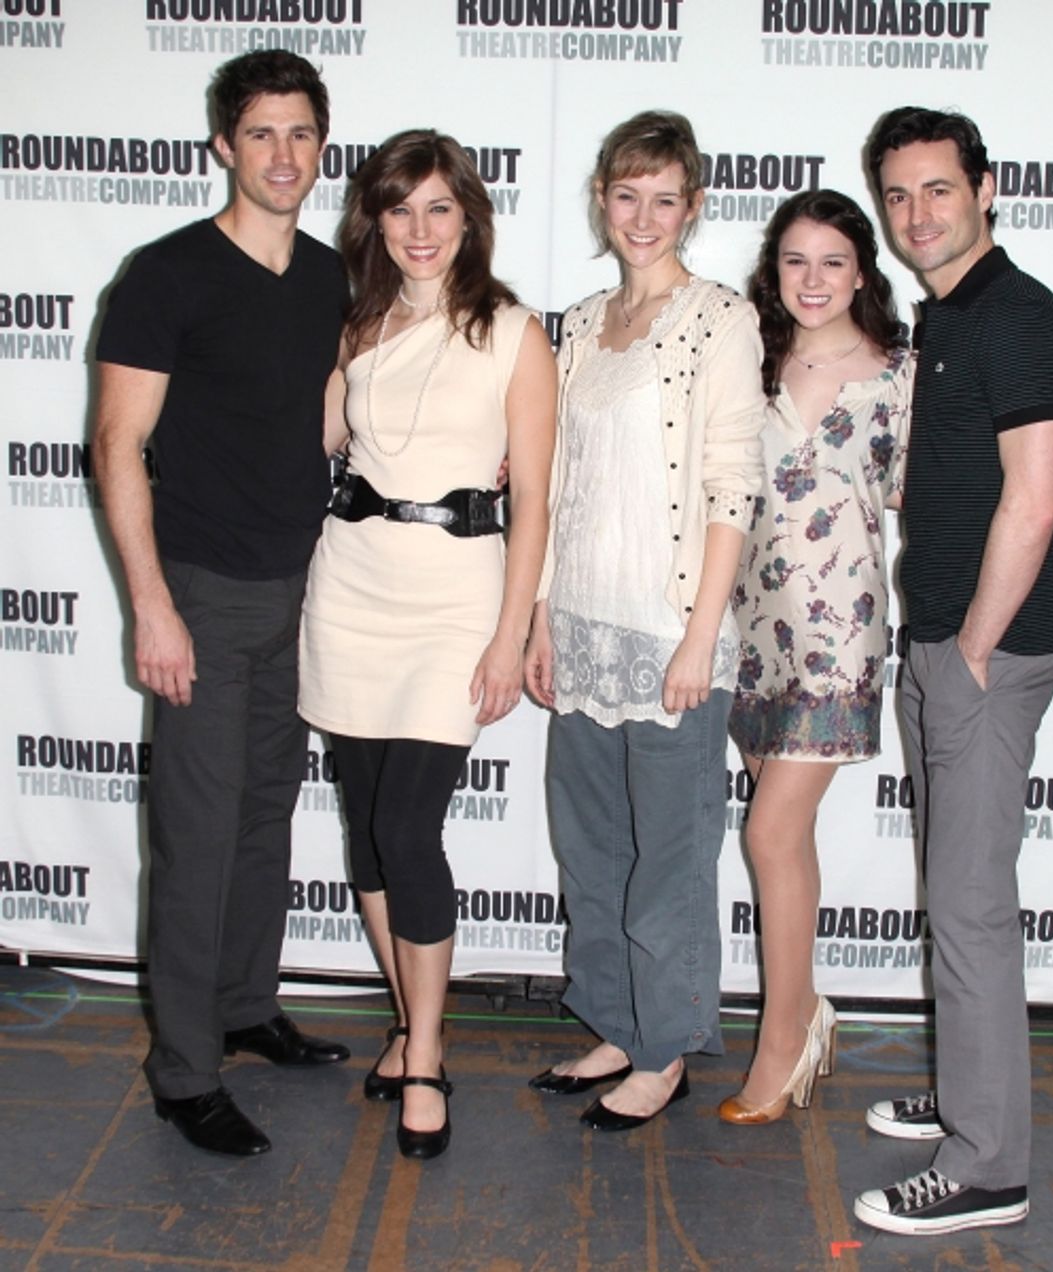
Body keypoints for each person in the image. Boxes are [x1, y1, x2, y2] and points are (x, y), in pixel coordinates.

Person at [93, 50, 351, 1158]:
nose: (283, 155)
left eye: (301, 135)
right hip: (200, 589)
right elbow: (116, 444)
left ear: (321, 149)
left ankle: (246, 1007)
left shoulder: (338, 276)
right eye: (261, 135)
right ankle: (184, 1070)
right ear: (223, 147)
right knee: (197, 839)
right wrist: (151, 605)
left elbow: (338, 420)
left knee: (262, 819)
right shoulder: (166, 275)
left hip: (308, 591)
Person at [298, 129, 556, 1161]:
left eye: (438, 208)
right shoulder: (356, 324)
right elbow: (328, 440)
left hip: (455, 597)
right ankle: (405, 1028)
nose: (418, 229)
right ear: (376, 220)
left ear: (469, 219)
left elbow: (535, 497)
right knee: (365, 829)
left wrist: (511, 633)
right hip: (351, 581)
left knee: (410, 830)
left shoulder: (513, 332)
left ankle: (432, 1051)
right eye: (399, 209)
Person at [853, 107, 1053, 1235]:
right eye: (897, 195)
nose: (916, 215)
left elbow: (1035, 503)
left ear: (985, 189)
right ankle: (966, 1099)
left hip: (988, 656)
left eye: (938, 189)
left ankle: (989, 1165)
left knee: (973, 913)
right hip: (942, 644)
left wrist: (973, 656)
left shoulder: (1021, 319)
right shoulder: (945, 318)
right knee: (954, 902)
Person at [524, 111, 764, 1131]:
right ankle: (617, 1020)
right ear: (601, 201)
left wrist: (700, 638)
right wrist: (537, 617)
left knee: (669, 860)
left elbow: (730, 487)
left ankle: (664, 1048)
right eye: (627, 195)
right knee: (592, 849)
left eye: (665, 198)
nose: (644, 216)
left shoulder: (719, 320)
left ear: (694, 206)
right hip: (579, 629)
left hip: (670, 638)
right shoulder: (575, 325)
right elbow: (550, 485)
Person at [719, 191, 913, 1125]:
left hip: (839, 634)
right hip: (750, 629)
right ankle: (810, 1007)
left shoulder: (900, 375)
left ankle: (783, 1038)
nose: (812, 279)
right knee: (782, 838)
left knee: (767, 833)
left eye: (832, 262)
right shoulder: (747, 360)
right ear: (774, 269)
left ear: (862, 272)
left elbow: (933, 499)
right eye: (795, 260)